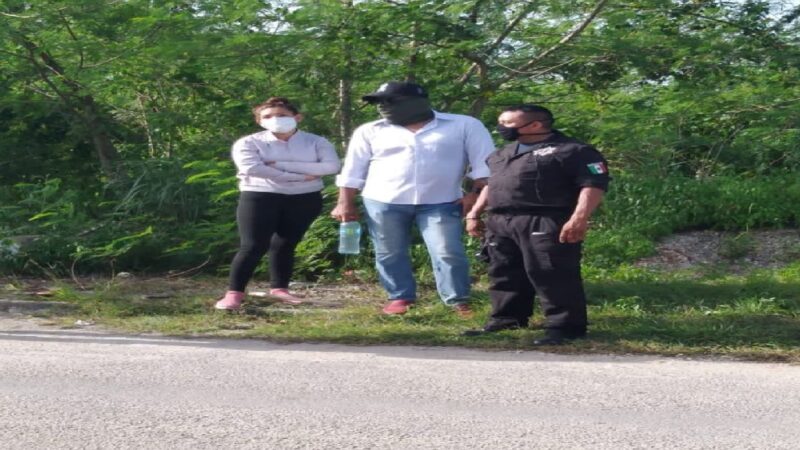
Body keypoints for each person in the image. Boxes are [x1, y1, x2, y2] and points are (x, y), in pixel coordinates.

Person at [331, 81, 495, 316]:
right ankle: (400, 297)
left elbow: (485, 167)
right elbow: (352, 171)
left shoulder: (463, 125)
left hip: (443, 200)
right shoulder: (370, 130)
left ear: (417, 101)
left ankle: (457, 299)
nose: (383, 107)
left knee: (447, 250)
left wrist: (475, 197)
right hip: (383, 200)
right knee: (389, 251)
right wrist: (344, 202)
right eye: (380, 103)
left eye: (390, 101)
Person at [463, 104, 610, 345]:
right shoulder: (502, 153)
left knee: (550, 273)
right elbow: (491, 184)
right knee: (503, 272)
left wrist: (579, 218)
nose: (501, 128)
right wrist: (474, 214)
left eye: (508, 123)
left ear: (535, 125)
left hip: (545, 219)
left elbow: (593, 184)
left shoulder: (574, 151)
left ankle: (565, 327)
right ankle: (507, 320)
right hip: (500, 221)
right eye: (501, 122)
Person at [215, 97, 341, 310]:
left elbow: (331, 166)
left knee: (286, 243)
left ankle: (280, 289)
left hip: (305, 198)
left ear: (297, 117)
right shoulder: (248, 143)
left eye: (282, 115)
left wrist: (281, 166)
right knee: (253, 245)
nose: (276, 119)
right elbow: (253, 169)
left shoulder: (317, 142)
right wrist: (304, 173)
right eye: (268, 116)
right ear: (260, 121)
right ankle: (234, 294)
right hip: (260, 195)